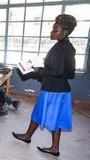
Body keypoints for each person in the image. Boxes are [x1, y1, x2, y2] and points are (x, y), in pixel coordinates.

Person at [12, 14, 77, 157]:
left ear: (64, 32)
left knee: (50, 117)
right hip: (62, 89)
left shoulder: (60, 48)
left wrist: (38, 70)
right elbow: (70, 73)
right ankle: (31, 137)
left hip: (52, 90)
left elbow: (56, 71)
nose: (52, 31)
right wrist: (46, 64)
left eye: (56, 29)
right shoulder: (69, 47)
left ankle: (49, 146)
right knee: (43, 114)